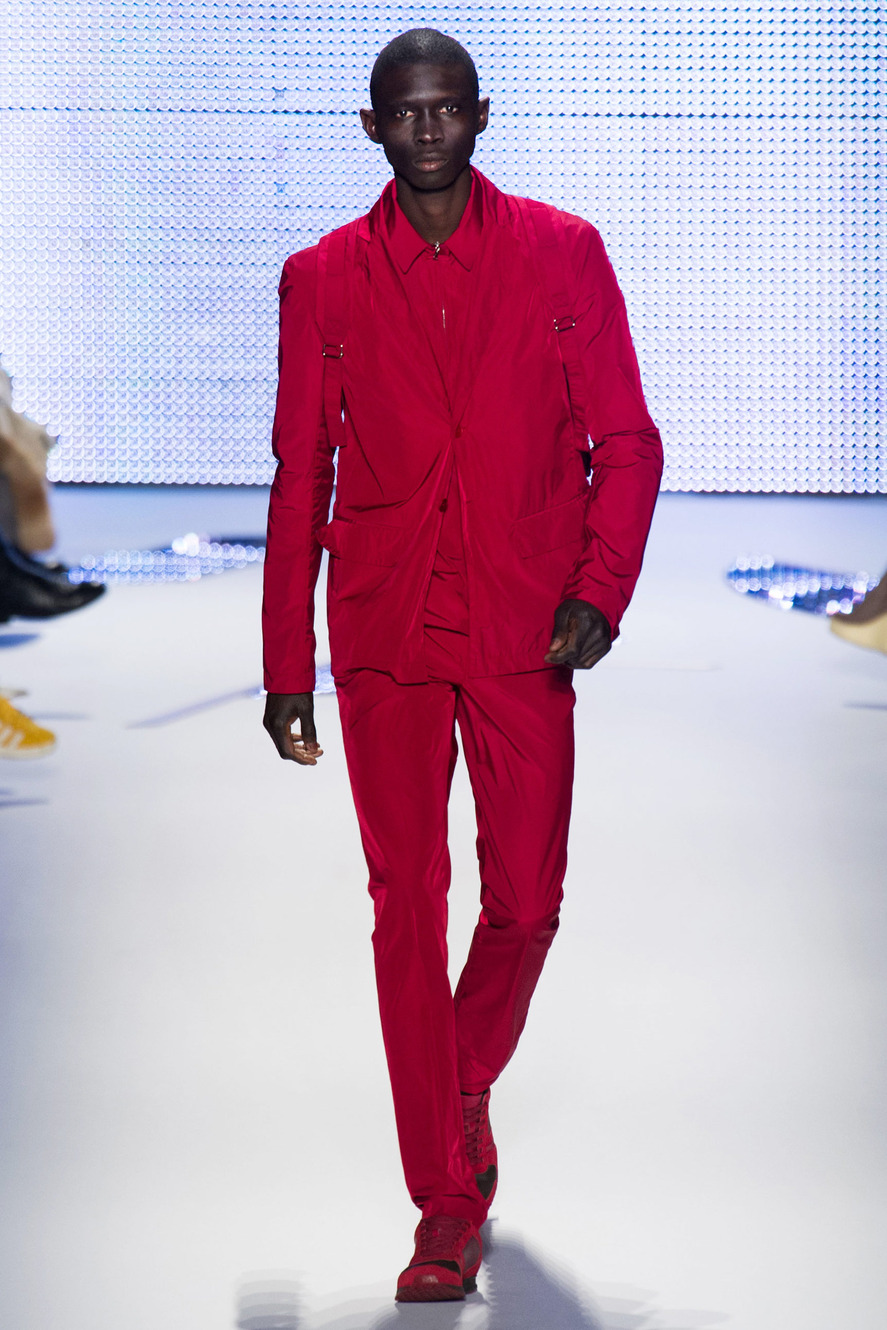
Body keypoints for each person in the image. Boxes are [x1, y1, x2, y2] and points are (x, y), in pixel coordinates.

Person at [261, 29, 663, 1303]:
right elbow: (300, 474)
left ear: (480, 116)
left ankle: (457, 1079)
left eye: (445, 109)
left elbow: (625, 440)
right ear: (370, 126)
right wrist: (285, 662)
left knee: (527, 901)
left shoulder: (561, 252)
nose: (426, 130)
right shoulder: (321, 277)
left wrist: (599, 587)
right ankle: (444, 1200)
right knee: (406, 906)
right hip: (385, 631)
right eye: (404, 112)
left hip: (521, 622)